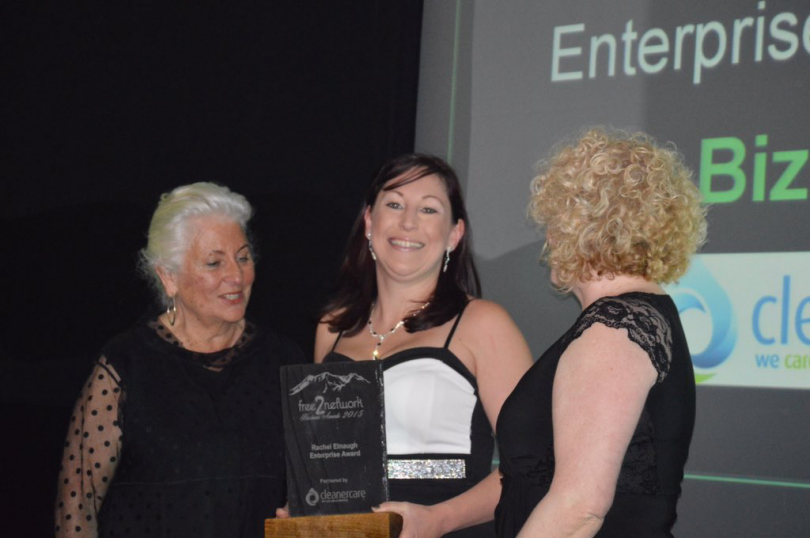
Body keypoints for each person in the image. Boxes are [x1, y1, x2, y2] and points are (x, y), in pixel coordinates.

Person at [54, 182, 304, 538]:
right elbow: (77, 507)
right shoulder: (125, 365)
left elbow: (314, 483)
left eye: (244, 257)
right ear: (168, 277)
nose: (237, 276)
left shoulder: (285, 360)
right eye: (214, 262)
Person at [494, 128, 708, 537]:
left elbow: (580, 508)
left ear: (577, 228)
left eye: (555, 222)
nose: (548, 238)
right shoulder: (639, 320)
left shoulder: (615, 328)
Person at [313, 153, 533, 537]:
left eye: (428, 210)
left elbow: (535, 463)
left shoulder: (482, 323)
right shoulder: (331, 327)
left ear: (454, 234)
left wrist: (438, 520)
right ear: (369, 221)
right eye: (394, 204)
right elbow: (324, 465)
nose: (408, 222)